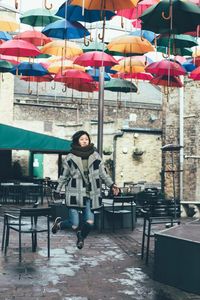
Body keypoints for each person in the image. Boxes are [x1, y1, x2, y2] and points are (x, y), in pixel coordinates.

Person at [52, 130, 119, 249]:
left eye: (86, 139)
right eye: (82, 139)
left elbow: (103, 174)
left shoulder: (96, 156)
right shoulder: (70, 157)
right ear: (77, 141)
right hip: (74, 194)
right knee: (74, 224)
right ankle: (59, 224)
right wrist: (58, 189)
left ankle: (81, 237)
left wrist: (112, 185)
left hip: (90, 195)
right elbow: (64, 176)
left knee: (90, 223)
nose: (84, 141)